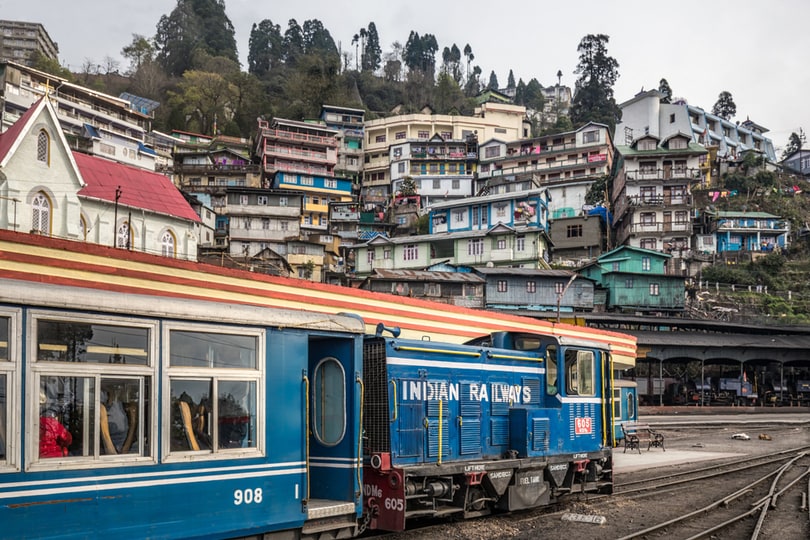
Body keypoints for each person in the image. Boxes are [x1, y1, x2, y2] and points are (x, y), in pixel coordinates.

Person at [39, 390, 71, 458]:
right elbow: (67, 438)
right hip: (54, 457)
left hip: (38, 456)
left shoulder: (28, 421)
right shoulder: (50, 422)